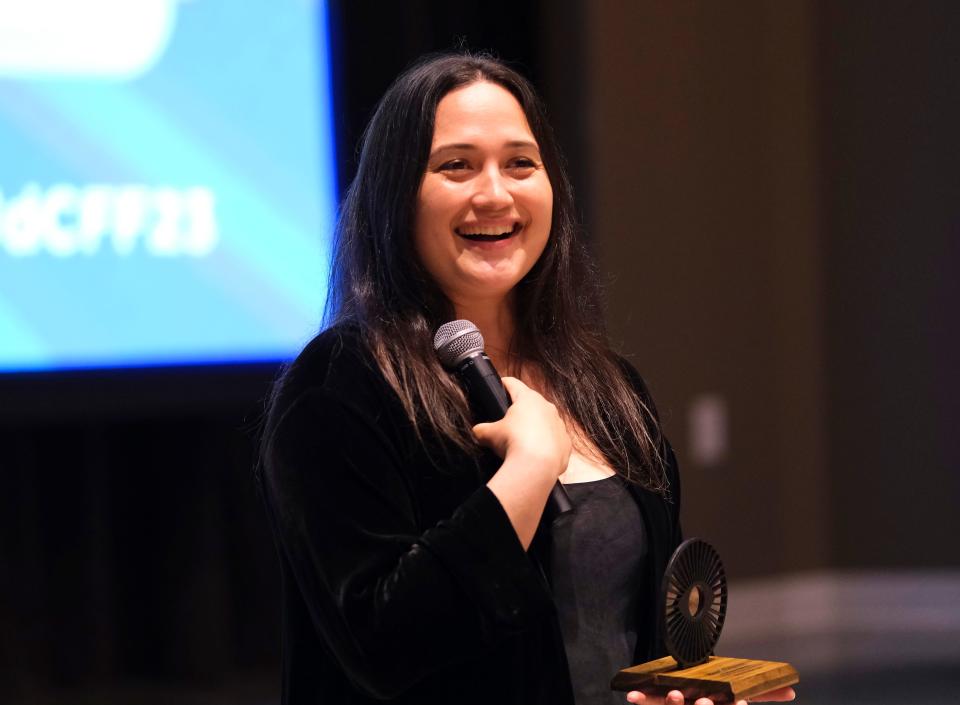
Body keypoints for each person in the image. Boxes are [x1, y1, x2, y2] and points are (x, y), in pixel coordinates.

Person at [259, 52, 796, 705]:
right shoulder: (341, 386)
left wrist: (685, 692)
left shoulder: (608, 385)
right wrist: (526, 471)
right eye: (456, 165)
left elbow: (635, 635)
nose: (494, 193)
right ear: (396, 192)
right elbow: (380, 643)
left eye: (520, 163)